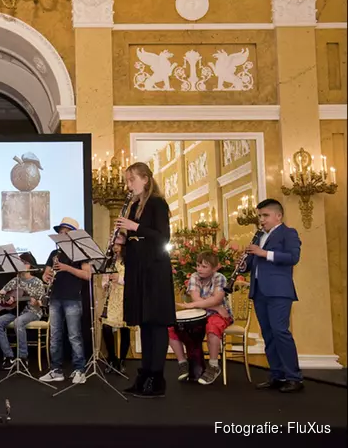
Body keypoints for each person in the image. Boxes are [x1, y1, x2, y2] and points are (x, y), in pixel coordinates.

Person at [115, 161, 175, 398]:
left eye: (132, 180)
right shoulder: (133, 206)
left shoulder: (157, 203)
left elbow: (162, 237)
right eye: (127, 181)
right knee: (144, 323)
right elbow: (136, 238)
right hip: (138, 269)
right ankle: (144, 376)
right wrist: (122, 244)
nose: (128, 185)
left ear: (146, 180)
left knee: (156, 324)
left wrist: (134, 227)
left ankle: (156, 379)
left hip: (155, 271)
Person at [241, 198, 303, 393]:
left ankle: (294, 377)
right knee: (268, 334)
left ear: (278, 216)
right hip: (259, 291)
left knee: (280, 332)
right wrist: (244, 265)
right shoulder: (259, 236)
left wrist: (263, 253)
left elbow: (293, 257)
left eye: (265, 215)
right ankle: (277, 375)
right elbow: (252, 263)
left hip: (278, 291)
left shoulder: (288, 233)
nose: (261, 220)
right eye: (260, 216)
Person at [39, 218, 89, 385]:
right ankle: (56, 370)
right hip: (55, 298)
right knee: (55, 336)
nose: (61, 234)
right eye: (60, 232)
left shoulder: (80, 252)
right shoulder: (55, 254)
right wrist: (46, 276)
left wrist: (67, 268)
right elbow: (46, 274)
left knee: (74, 336)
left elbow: (87, 275)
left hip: (72, 298)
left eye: (65, 232)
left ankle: (79, 370)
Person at [172, 251, 233, 385]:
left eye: (204, 267)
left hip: (219, 316)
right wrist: (214, 305)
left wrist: (194, 305)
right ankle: (183, 363)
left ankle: (213, 366)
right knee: (171, 327)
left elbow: (216, 298)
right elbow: (198, 298)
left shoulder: (220, 277)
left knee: (212, 327)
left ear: (215, 268)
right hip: (205, 313)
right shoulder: (194, 276)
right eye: (198, 265)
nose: (200, 269)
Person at [0, 252, 46, 370]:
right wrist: (7, 299)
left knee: (18, 322)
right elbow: (0, 294)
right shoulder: (15, 280)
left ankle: (23, 357)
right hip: (15, 311)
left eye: (24, 263)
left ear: (30, 265)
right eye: (19, 263)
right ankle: (9, 356)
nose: (21, 265)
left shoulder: (37, 282)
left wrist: (36, 302)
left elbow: (41, 303)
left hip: (32, 312)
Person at [101, 246, 130, 374]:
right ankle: (112, 358)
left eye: (118, 245)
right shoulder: (109, 262)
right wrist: (105, 283)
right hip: (112, 297)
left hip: (126, 296)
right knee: (106, 327)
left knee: (125, 328)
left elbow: (132, 280)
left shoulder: (130, 261)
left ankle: (122, 359)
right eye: (114, 246)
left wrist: (118, 279)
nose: (115, 248)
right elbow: (103, 280)